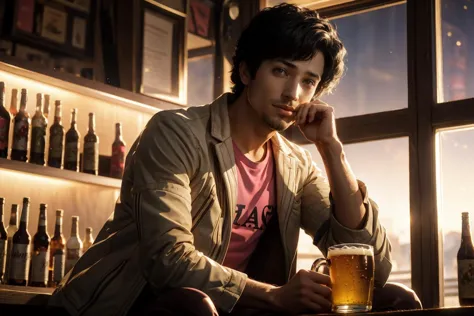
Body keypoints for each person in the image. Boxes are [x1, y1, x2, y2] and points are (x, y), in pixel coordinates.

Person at [48, 3, 422, 316]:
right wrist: (275, 295)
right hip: (138, 303)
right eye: (281, 71)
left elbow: (372, 265)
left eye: (309, 81)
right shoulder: (175, 133)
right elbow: (168, 259)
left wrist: (331, 149)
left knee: (397, 300)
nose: (293, 92)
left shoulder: (295, 164)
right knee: (193, 306)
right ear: (245, 72)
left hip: (240, 307)